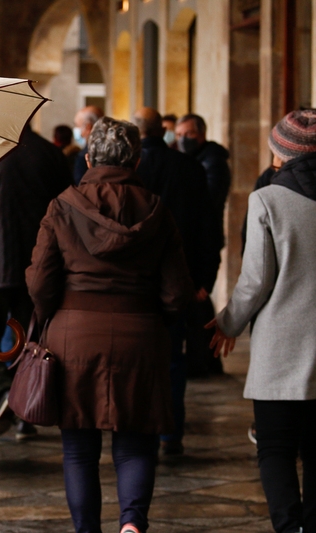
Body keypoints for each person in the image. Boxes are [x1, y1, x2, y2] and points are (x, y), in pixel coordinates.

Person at [26, 117, 193, 533]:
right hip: (141, 334)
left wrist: (49, 316)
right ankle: (132, 524)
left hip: (73, 337)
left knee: (79, 449)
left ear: (87, 158)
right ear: (136, 161)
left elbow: (40, 283)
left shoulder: (61, 205)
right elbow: (176, 292)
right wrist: (156, 322)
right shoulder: (158, 210)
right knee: (136, 442)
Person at [208, 108, 316, 533]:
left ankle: (289, 528)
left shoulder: (267, 199)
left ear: (281, 153)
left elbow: (255, 280)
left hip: (281, 351)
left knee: (274, 448)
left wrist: (227, 324)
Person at [0, 125, 71, 439]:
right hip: (37, 263)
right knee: (30, 339)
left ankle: (5, 391)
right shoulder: (50, 153)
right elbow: (65, 208)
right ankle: (23, 413)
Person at [133, 107, 221, 454]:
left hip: (135, 282)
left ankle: (140, 432)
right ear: (163, 132)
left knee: (137, 361)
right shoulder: (189, 167)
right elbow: (207, 229)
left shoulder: (130, 169)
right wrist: (204, 279)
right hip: (179, 279)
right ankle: (171, 433)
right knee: (173, 358)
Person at [175, 113, 231, 379]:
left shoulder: (213, 162)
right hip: (200, 237)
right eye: (179, 135)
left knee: (200, 300)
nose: (183, 140)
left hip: (205, 239)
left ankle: (205, 361)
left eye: (188, 134)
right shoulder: (198, 160)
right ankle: (208, 359)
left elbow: (208, 202)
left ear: (201, 134)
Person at [72, 105, 104, 185]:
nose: (76, 129)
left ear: (88, 127)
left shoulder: (84, 156)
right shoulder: (109, 149)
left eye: (77, 125)